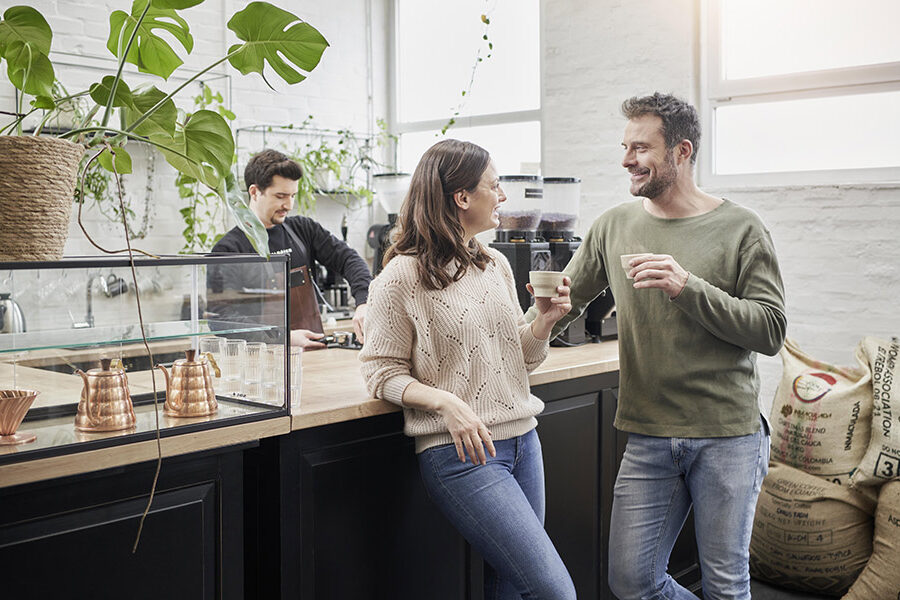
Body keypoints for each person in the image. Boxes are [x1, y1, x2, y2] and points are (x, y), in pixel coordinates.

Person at [526, 93, 787, 599]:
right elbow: (560, 309)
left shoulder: (742, 228)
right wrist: (536, 317)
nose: (627, 159)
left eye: (641, 147)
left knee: (726, 586)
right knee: (631, 581)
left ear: (681, 152)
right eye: (625, 146)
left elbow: (770, 330)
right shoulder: (613, 225)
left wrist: (685, 286)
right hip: (648, 435)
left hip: (727, 435)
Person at [359, 139, 577, 600]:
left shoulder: (492, 262)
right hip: (461, 454)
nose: (503, 198)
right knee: (555, 592)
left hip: (523, 440)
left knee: (511, 588)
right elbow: (380, 372)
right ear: (462, 197)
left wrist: (544, 321)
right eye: (494, 187)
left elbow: (518, 356)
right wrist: (445, 402)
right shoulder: (400, 277)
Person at [209, 149, 372, 348]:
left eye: (293, 195)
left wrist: (363, 302)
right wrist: (282, 337)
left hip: (313, 353)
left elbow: (349, 259)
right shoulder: (228, 249)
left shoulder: (303, 230)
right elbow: (221, 317)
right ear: (254, 192)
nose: (289, 205)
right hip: (259, 362)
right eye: (280, 196)